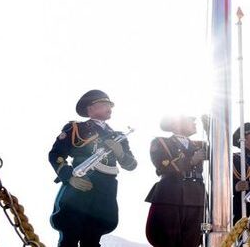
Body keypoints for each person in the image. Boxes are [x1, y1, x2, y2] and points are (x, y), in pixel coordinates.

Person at [49, 90, 137, 247]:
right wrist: (69, 177)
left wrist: (121, 153)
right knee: (70, 232)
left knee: (94, 234)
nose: (109, 108)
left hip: (105, 189)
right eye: (104, 105)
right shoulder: (75, 128)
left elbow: (131, 165)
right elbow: (56, 154)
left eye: (110, 105)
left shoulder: (118, 135)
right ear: (90, 109)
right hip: (80, 184)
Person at [145, 115, 208, 247]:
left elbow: (222, 151)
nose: (194, 122)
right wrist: (191, 161)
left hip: (196, 198)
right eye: (190, 120)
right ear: (175, 124)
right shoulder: (161, 142)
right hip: (170, 196)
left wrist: (209, 130)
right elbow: (162, 165)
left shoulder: (198, 145)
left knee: (192, 240)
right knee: (166, 239)